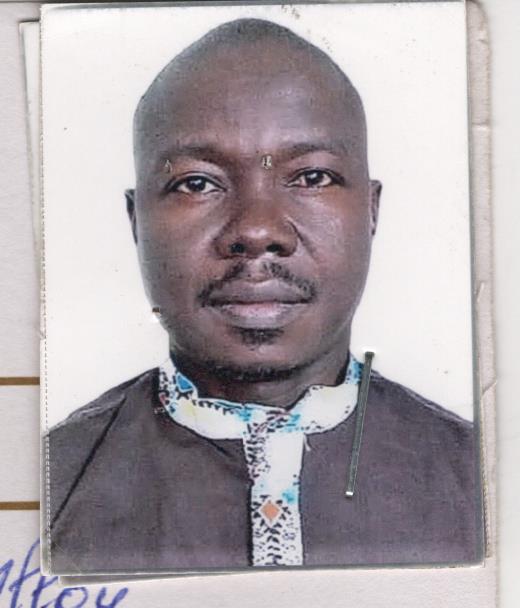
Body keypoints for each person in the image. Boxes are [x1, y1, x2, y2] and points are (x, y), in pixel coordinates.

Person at [46, 18, 480, 573]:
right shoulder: (48, 484)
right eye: (197, 183)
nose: (256, 230)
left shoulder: (485, 484)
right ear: (136, 221)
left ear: (371, 211)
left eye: (312, 178)